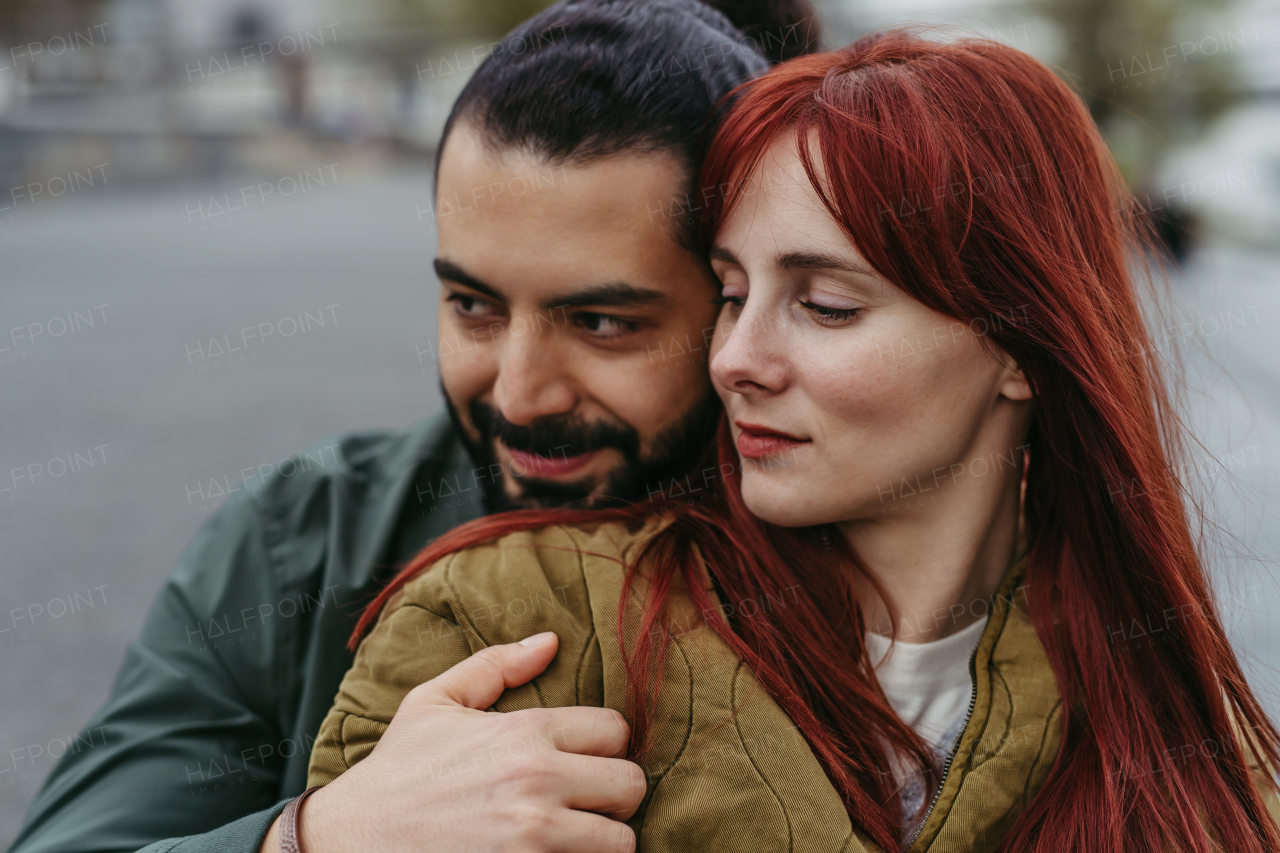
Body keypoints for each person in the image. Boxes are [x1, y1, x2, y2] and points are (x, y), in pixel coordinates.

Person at [301, 30, 1280, 853]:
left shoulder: (1188, 743)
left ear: (1019, 348)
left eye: (823, 304)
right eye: (730, 293)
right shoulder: (510, 624)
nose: (733, 357)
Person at [5, 3, 820, 853]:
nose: (519, 392)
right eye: (473, 305)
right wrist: (320, 837)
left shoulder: (877, 547)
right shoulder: (304, 540)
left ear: (738, 303)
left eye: (601, 322)